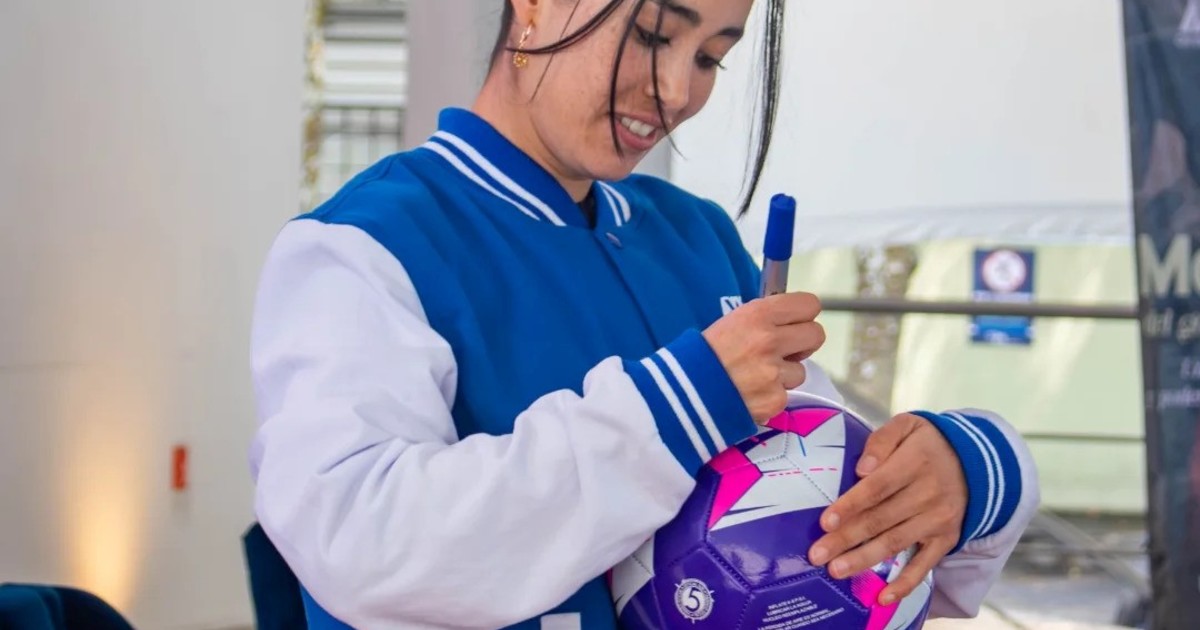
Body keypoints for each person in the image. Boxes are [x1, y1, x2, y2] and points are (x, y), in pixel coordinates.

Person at [248, 0, 1040, 628]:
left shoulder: (697, 239)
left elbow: (822, 522)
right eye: (655, 35)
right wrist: (675, 410)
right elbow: (358, 541)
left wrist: (961, 470)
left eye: (709, 57)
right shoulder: (364, 246)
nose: (678, 92)